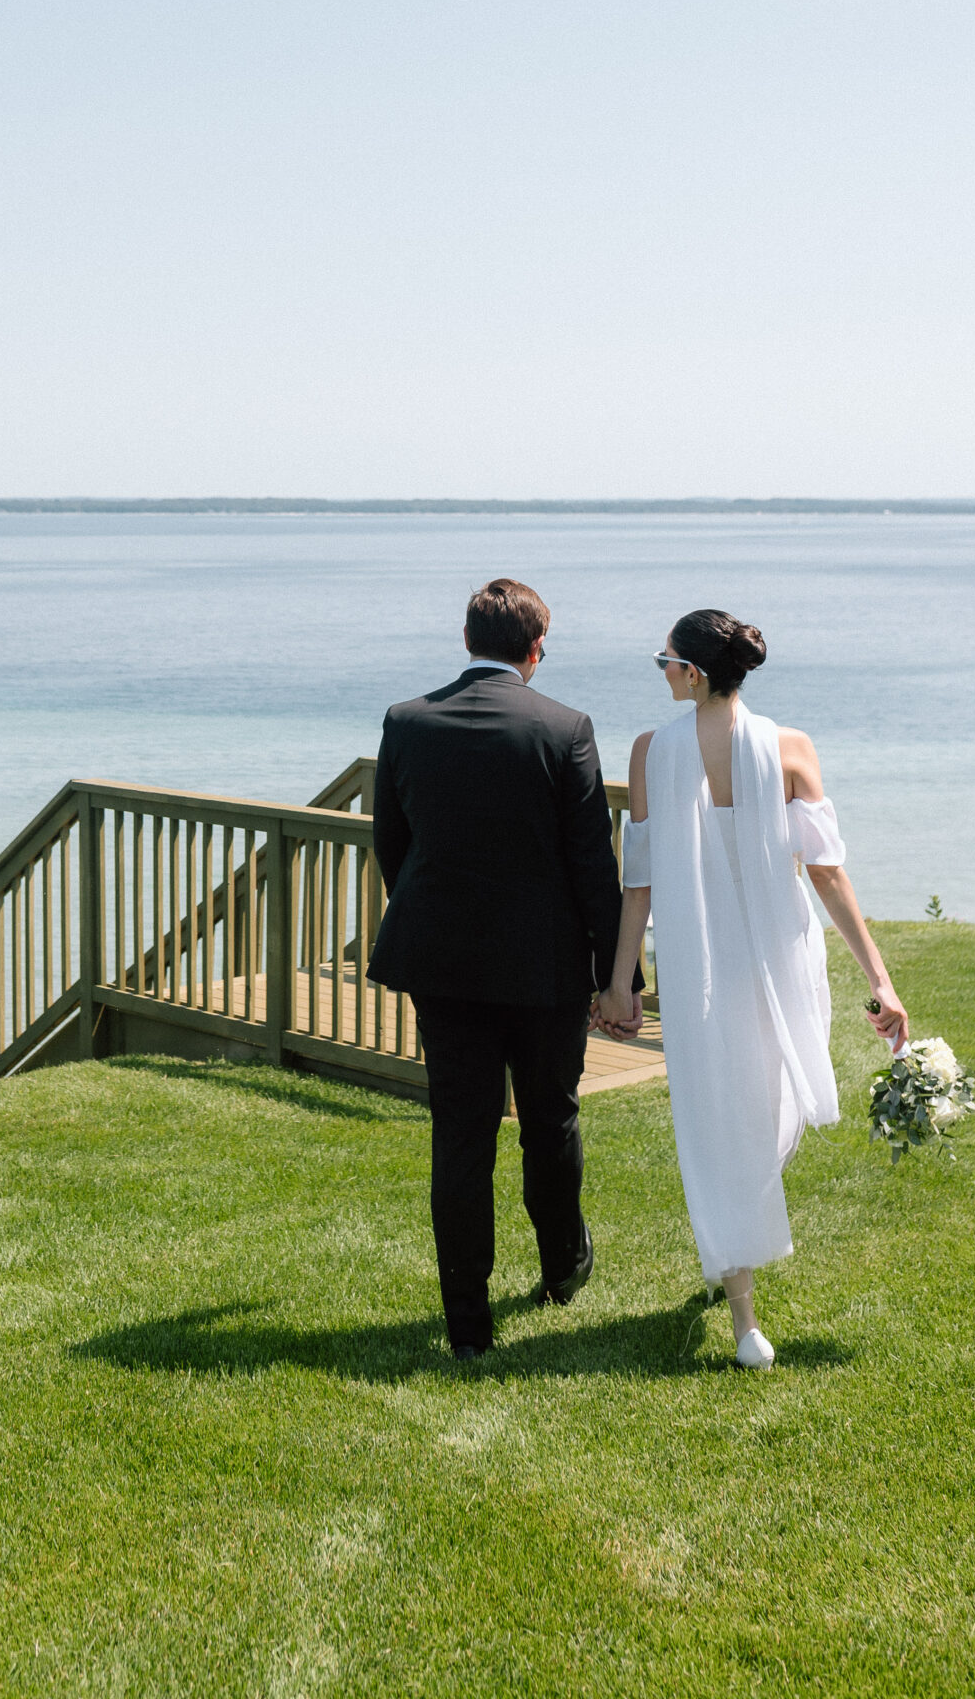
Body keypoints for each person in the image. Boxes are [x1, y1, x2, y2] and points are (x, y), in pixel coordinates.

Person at [598, 609, 907, 1371]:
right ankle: (743, 1321)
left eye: (664, 661)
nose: (661, 671)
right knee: (735, 1124)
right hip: (762, 955)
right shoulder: (790, 748)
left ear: (695, 673)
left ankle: (730, 1245)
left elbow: (636, 883)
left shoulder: (649, 752)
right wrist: (878, 977)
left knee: (735, 1119)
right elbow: (827, 877)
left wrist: (618, 981)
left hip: (716, 964)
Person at [368, 578, 628, 1361]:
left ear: (465, 639)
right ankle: (561, 1270)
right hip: (545, 967)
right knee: (550, 1120)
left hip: (441, 965)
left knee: (461, 1134)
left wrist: (431, 921)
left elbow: (392, 842)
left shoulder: (407, 721)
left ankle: (465, 1323)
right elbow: (592, 865)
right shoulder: (564, 728)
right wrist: (619, 974)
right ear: (535, 649)